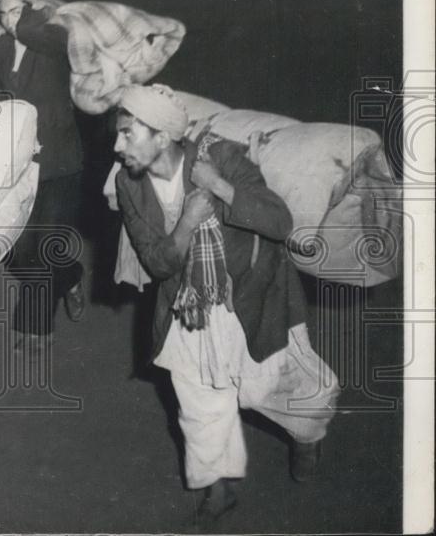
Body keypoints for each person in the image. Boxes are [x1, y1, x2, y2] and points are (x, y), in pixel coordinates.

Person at [113, 83, 338, 526]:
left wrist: (219, 187)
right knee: (199, 407)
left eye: (126, 134)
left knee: (275, 388)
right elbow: (157, 261)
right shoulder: (128, 184)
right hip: (189, 308)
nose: (117, 146)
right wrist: (186, 224)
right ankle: (218, 493)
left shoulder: (226, 158)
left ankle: (307, 435)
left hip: (254, 298)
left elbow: (279, 221)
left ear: (162, 136)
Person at [0, 0, 86, 356]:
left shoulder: (54, 41)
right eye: (4, 13)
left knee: (44, 246)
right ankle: (71, 275)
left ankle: (36, 327)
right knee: (19, 249)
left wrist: (32, 15)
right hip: (20, 165)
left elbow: (40, 30)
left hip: (59, 163)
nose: (11, 21)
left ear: (32, 10)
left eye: (17, 11)